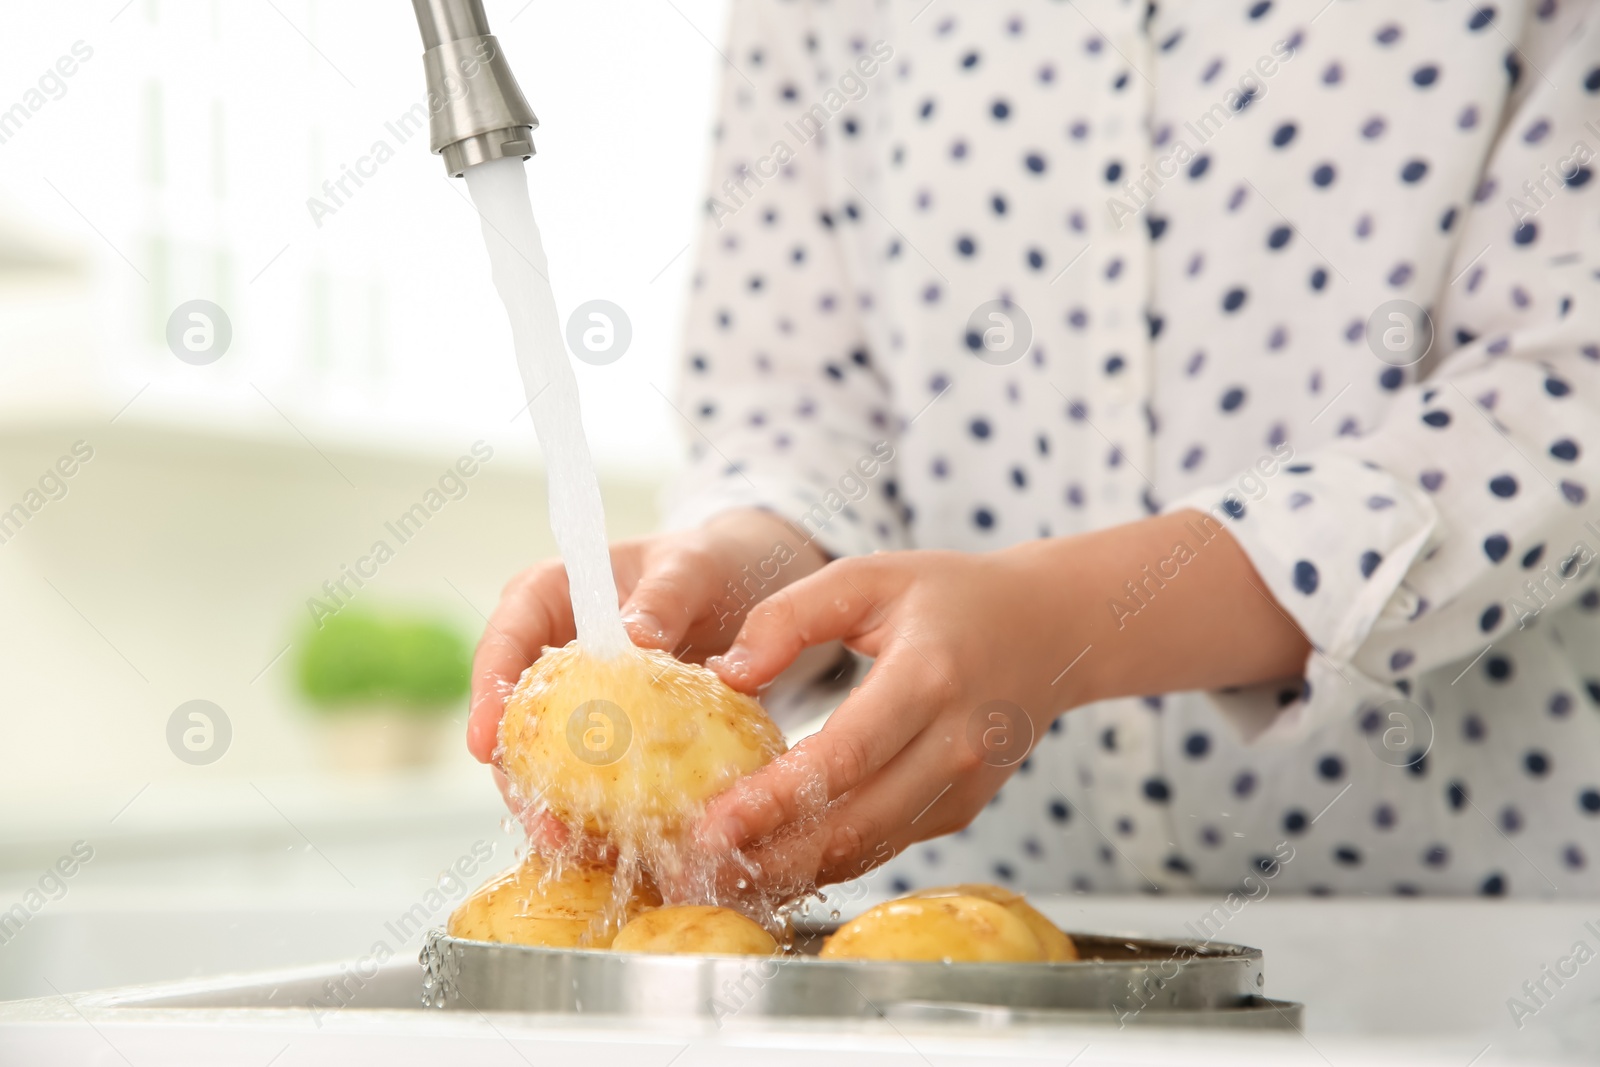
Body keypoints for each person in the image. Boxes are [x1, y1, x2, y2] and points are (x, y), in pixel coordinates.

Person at [471, 1, 1600, 898]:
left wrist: (1062, 622)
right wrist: (746, 571)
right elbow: (793, 395)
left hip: (1481, 932)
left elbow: (1565, 394)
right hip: (964, 951)